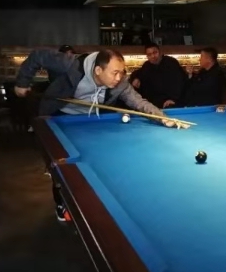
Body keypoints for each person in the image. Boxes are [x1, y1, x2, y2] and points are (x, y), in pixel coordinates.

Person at [14, 48, 178, 221]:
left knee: (94, 160)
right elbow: (38, 55)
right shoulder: (71, 65)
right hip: (60, 116)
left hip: (92, 119)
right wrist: (22, 82)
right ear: (98, 70)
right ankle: (62, 203)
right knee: (63, 162)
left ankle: (98, 199)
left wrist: (160, 116)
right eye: (115, 73)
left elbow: (138, 102)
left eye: (122, 73)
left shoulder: (120, 83)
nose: (119, 78)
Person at [132, 43, 187, 108]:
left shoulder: (171, 62)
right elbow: (139, 73)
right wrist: (136, 78)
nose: (153, 56)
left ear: (160, 52)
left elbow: (179, 83)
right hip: (153, 104)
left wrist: (173, 99)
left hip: (171, 101)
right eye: (149, 54)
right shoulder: (146, 66)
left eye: (155, 53)